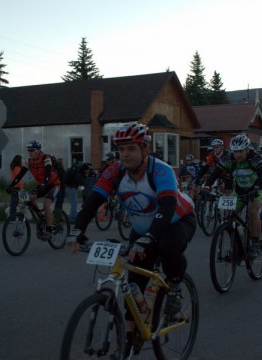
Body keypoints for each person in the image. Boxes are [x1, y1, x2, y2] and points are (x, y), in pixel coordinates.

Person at [66, 122, 196, 355]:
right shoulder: (115, 171)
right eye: (121, 149)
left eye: (131, 149)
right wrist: (77, 230)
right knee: (132, 280)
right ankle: (129, 334)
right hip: (142, 228)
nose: (125, 154)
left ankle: (175, 287)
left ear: (145, 149)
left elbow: (167, 207)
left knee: (167, 247)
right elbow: (93, 202)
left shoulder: (161, 170)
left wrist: (149, 238)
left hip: (177, 221)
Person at [201, 134, 262, 255]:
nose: (237, 155)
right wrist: (206, 186)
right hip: (240, 189)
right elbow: (215, 173)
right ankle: (237, 241)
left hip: (257, 186)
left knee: (252, 211)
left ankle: (255, 243)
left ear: (247, 149)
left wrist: (257, 188)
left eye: (240, 151)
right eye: (235, 152)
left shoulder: (256, 158)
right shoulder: (229, 158)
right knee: (230, 214)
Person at [7, 140, 61, 240]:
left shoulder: (46, 158)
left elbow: (48, 173)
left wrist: (45, 183)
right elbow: (20, 175)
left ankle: (49, 230)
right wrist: (11, 185)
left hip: (53, 185)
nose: (30, 152)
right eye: (28, 150)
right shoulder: (29, 161)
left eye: (32, 150)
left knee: (46, 203)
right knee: (28, 198)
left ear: (38, 150)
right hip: (42, 185)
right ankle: (41, 217)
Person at [8, 155, 23, 220]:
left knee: (13, 203)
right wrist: (21, 188)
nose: (22, 161)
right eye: (21, 160)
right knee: (16, 203)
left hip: (13, 187)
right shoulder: (17, 168)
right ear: (19, 160)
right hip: (17, 188)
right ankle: (14, 218)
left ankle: (12, 217)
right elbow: (18, 179)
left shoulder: (13, 167)